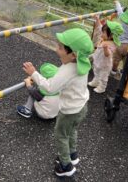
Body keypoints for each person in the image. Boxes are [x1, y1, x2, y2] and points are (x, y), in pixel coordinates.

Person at [23, 28, 93, 177]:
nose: (57, 49)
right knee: (72, 131)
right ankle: (73, 156)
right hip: (81, 107)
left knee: (61, 135)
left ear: (73, 54)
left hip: (69, 111)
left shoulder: (68, 70)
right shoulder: (83, 61)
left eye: (61, 47)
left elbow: (49, 87)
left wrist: (33, 73)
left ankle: (65, 166)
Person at [88, 15, 124, 93]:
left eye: (104, 32)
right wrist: (97, 19)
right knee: (96, 71)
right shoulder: (104, 38)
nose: (102, 33)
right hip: (98, 61)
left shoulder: (112, 44)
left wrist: (105, 48)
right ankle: (95, 82)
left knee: (103, 76)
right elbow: (99, 27)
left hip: (105, 65)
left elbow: (108, 55)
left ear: (111, 35)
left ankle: (102, 87)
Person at [111, 1, 128, 75]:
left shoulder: (122, 18)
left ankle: (113, 71)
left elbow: (119, 10)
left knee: (116, 59)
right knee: (126, 62)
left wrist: (117, 3)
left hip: (120, 44)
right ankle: (123, 73)